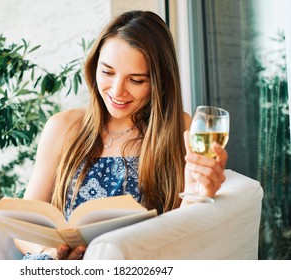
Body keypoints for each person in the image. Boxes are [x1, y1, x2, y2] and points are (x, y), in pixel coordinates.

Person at [14, 10, 228, 260]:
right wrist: (50, 253)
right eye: (107, 72)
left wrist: (200, 195)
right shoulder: (63, 127)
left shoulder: (176, 128)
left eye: (136, 80)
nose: (117, 91)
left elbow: (180, 233)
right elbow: (25, 227)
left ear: (159, 83)